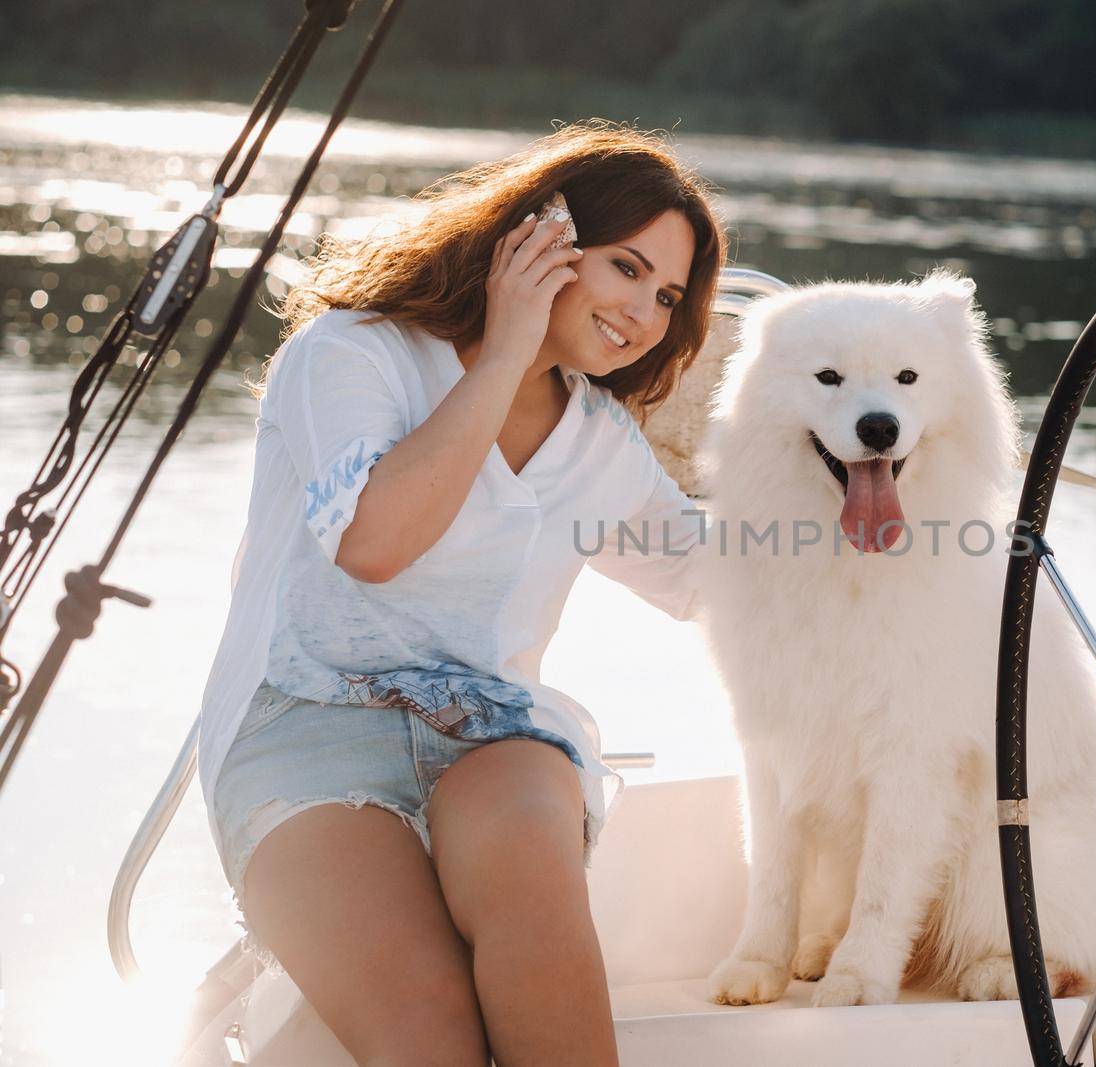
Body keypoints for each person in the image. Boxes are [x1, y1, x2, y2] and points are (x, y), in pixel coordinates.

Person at [196, 123, 726, 1065]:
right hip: (301, 728)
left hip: (492, 734)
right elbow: (375, 544)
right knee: (433, 1036)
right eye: (627, 267)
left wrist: (893, 512)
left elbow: (714, 581)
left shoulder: (598, 438)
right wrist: (504, 350)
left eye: (668, 295)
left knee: (530, 857)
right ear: (540, 239)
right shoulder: (352, 353)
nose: (646, 311)